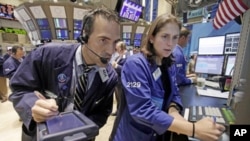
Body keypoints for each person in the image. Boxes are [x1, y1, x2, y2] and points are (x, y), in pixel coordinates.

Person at [9, 7, 120, 141]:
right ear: (85, 35)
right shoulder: (46, 54)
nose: (110, 51)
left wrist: (83, 130)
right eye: (103, 40)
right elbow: (19, 89)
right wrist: (33, 106)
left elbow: (102, 113)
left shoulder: (110, 77)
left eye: (115, 42)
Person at [109, 14, 225, 141]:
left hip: (157, 134)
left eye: (175, 37)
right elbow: (142, 110)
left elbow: (174, 93)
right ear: (152, 37)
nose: (170, 44)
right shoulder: (135, 64)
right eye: (165, 36)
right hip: (133, 136)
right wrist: (193, 129)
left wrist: (173, 110)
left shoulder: (169, 64)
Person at [111, 41, 128, 116]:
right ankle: (118, 111)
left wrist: (116, 66)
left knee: (121, 98)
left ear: (121, 48)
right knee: (118, 98)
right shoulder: (118, 56)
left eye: (117, 48)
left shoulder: (127, 56)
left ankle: (121, 112)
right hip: (116, 81)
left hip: (122, 81)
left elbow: (126, 70)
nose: (115, 49)